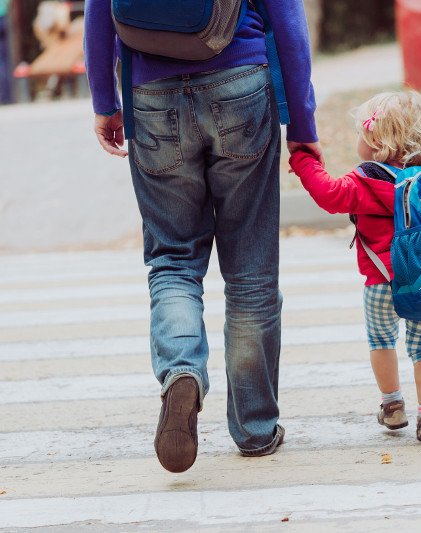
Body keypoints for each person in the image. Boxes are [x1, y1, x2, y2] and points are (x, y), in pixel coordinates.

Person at [84, 0, 321, 472]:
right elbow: (288, 21)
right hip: (240, 82)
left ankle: (181, 371)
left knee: (173, 259)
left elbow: (97, 12)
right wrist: (302, 123)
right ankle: (255, 429)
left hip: (150, 92)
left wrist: (104, 103)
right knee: (250, 270)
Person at [289, 91, 421, 445]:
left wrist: (303, 161)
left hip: (381, 283)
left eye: (361, 133)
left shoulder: (367, 181)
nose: (357, 140)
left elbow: (329, 194)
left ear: (376, 142)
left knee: (381, 340)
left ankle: (392, 405)